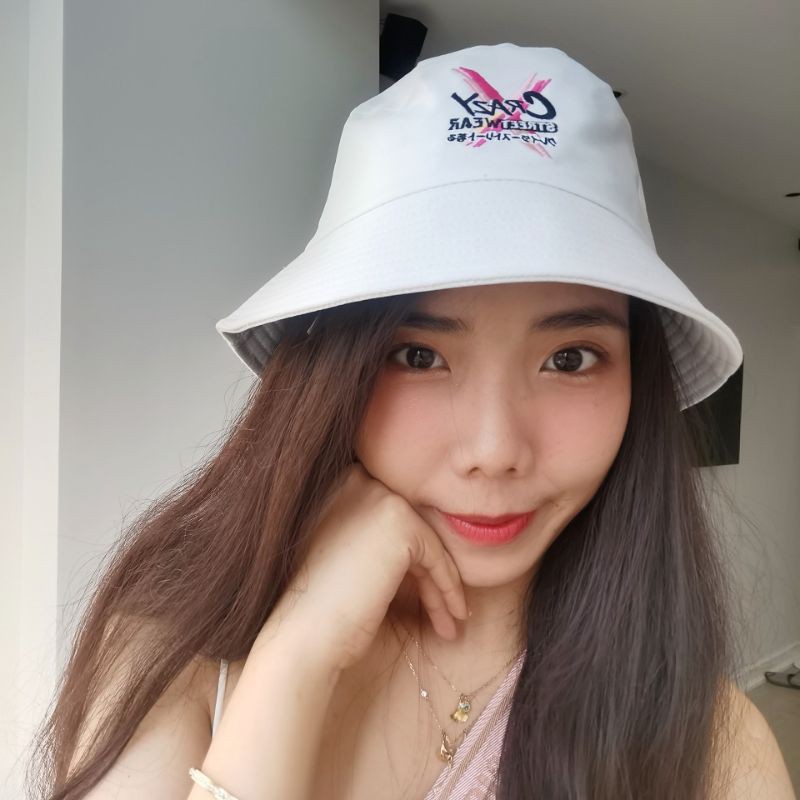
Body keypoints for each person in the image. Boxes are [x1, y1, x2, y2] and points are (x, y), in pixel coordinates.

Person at [26, 43, 795, 800]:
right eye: (419, 356)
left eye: (569, 359)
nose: (494, 450)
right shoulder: (170, 654)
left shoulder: (712, 749)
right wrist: (298, 652)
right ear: (332, 371)